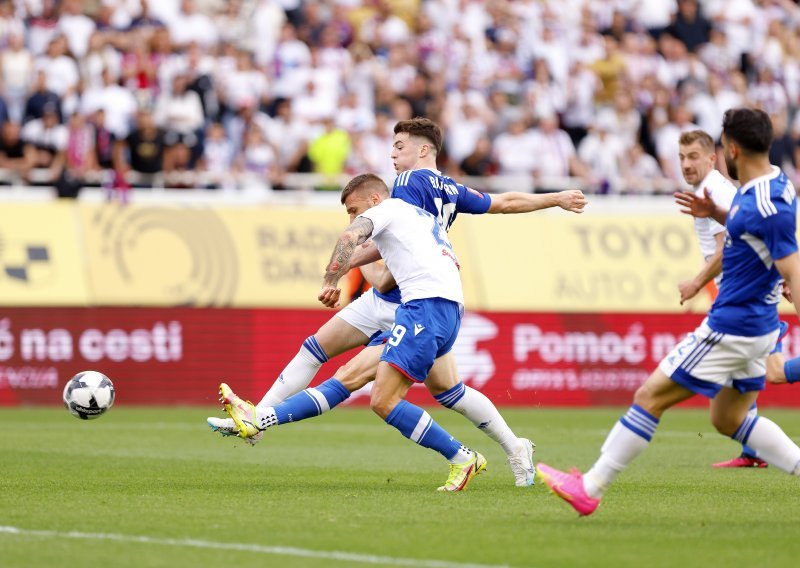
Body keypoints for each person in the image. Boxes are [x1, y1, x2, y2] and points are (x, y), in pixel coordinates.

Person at [209, 117, 587, 488]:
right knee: (442, 389)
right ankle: (514, 446)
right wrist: (554, 198)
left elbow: (380, 247)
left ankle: (260, 420)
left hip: (411, 300)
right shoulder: (450, 190)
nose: (392, 154)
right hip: (418, 295)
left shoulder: (407, 184)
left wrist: (338, 270)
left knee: (358, 382)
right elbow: (503, 202)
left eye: (399, 146)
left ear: (424, 151)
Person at [537, 107, 800, 516]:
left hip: (733, 325)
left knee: (649, 396)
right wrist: (718, 215)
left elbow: (792, 269)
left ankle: (590, 486)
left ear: (730, 148)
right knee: (728, 419)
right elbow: (756, 234)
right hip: (757, 327)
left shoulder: (767, 204)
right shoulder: (771, 185)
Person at [223, 173, 487, 491]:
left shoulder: (392, 210)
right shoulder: (418, 218)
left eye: (354, 209)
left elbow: (351, 240)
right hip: (430, 308)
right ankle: (259, 419)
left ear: (376, 199)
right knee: (360, 383)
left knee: (385, 397)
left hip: (423, 309)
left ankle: (465, 456)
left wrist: (332, 280)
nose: (353, 217)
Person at [675, 129, 769, 468]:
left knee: (763, 371)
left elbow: (727, 249)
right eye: (682, 157)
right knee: (745, 373)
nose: (686, 164)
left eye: (693, 157)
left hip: (740, 293)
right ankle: (753, 453)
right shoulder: (707, 190)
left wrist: (697, 282)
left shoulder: (713, 191)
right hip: (741, 290)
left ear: (712, 158)